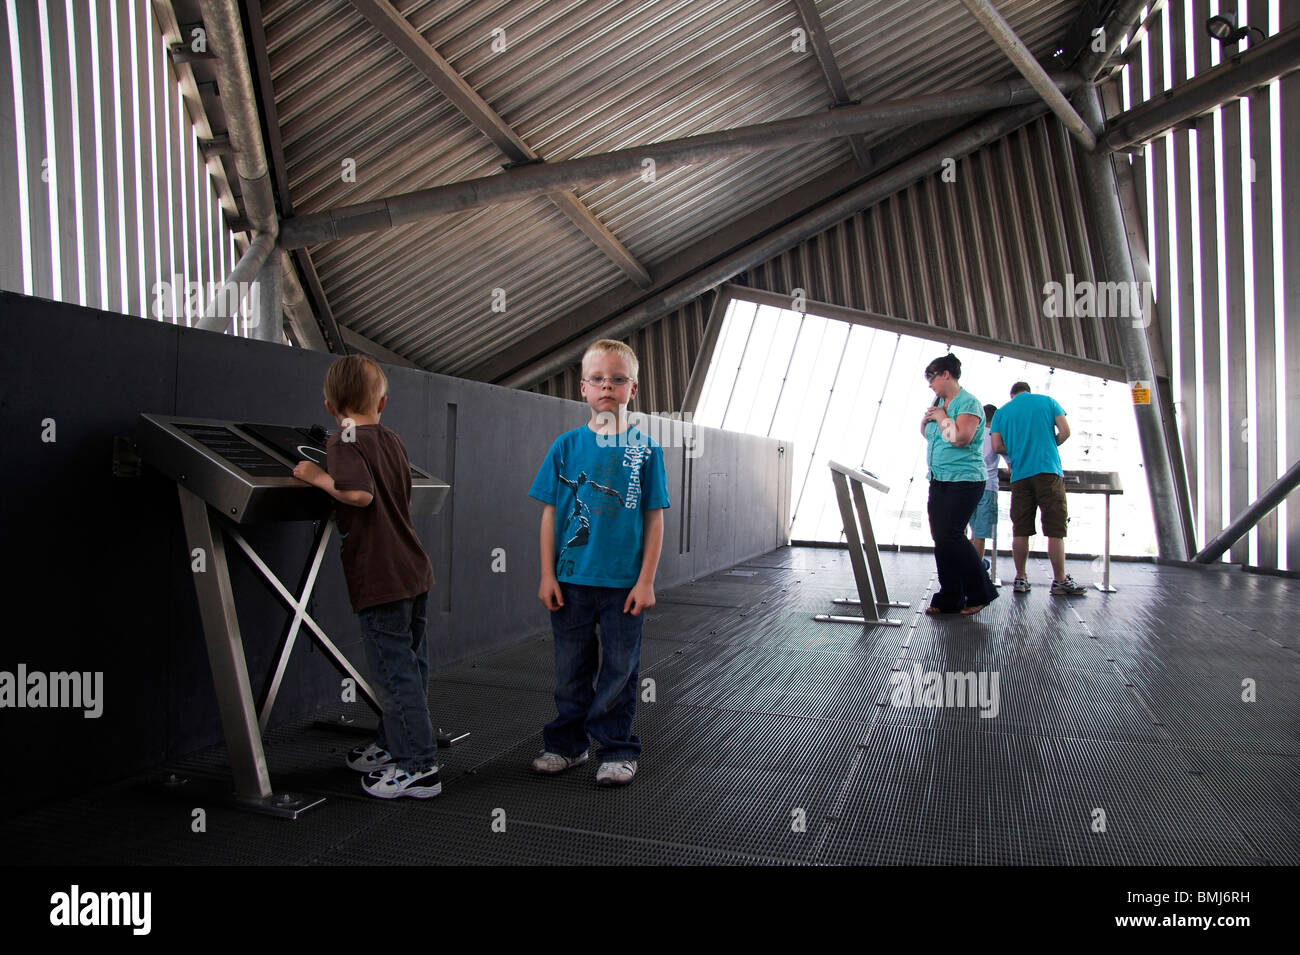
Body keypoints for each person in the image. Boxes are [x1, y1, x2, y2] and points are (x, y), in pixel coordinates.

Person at [293, 355, 441, 798]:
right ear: (383, 402)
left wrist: (316, 477)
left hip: (381, 577)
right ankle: (397, 743)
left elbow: (358, 494)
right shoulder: (391, 438)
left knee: (393, 675)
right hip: (413, 570)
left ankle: (419, 766)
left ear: (328, 404)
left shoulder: (344, 439)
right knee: (410, 668)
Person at [528, 339, 669, 786]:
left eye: (618, 379)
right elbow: (551, 515)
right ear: (583, 388)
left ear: (633, 389)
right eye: (598, 378)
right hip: (570, 581)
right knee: (570, 670)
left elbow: (654, 519)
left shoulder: (646, 451)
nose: (607, 385)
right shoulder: (565, 447)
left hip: (624, 585)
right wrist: (547, 574)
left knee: (619, 671)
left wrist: (646, 581)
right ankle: (567, 746)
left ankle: (616, 749)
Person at [989, 382, 1087, 596]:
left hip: (1020, 475)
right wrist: (1050, 444)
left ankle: (1021, 578)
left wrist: (1016, 450)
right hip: (1048, 470)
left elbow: (996, 446)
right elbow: (1065, 431)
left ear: (1012, 394)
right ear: (1028, 391)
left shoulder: (1002, 413)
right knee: (1055, 529)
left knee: (1021, 528)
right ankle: (1060, 581)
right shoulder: (1048, 402)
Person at [920, 354, 999, 616]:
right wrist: (929, 420)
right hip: (939, 479)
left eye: (932, 377)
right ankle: (950, 597)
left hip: (965, 481)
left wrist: (941, 416)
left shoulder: (968, 403)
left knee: (952, 535)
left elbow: (960, 438)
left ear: (946, 374)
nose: (930, 384)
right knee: (941, 540)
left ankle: (980, 593)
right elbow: (931, 434)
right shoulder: (939, 402)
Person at [969, 402, 1002, 565]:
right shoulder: (995, 435)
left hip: (970, 485)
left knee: (973, 531)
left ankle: (970, 565)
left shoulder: (973, 434)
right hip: (988, 487)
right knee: (980, 533)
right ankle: (977, 570)